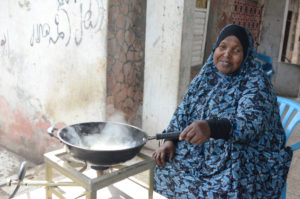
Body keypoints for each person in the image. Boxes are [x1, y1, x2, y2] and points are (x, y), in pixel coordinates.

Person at [152, 24, 293, 198]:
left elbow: (249, 126)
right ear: (215, 48)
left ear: (246, 54)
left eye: (236, 51)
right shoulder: (207, 75)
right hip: (209, 149)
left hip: (246, 153)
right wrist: (170, 140)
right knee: (164, 169)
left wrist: (210, 127)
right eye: (223, 47)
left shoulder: (256, 81)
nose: (226, 54)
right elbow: (184, 110)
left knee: (220, 191)